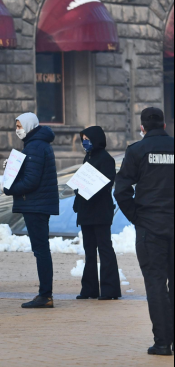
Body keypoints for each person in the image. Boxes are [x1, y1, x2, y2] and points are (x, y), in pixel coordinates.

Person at [114, 107, 174, 356]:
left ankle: (162, 343)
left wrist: (137, 217)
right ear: (164, 125)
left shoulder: (137, 151)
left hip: (150, 228)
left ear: (142, 127)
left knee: (156, 284)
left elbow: (121, 190)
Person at [3, 113, 59, 309]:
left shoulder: (34, 146)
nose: (17, 129)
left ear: (28, 125)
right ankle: (45, 293)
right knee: (41, 249)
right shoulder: (37, 144)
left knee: (41, 250)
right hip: (38, 204)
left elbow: (31, 180)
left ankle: (45, 295)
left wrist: (9, 187)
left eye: (19, 125)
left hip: (36, 204)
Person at [73, 126, 121, 301]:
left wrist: (86, 189)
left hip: (100, 211)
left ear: (96, 139)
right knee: (89, 251)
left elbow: (106, 184)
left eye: (88, 139)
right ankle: (90, 288)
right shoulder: (89, 157)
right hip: (86, 211)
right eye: (83, 139)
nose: (85, 142)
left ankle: (110, 289)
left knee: (104, 248)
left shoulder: (106, 159)